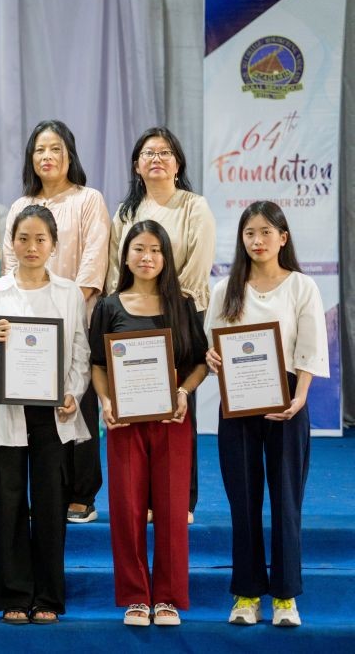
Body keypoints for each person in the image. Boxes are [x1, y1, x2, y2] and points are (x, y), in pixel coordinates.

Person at [205, 202, 328, 628]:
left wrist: (300, 399)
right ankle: (246, 594)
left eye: (265, 232)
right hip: (237, 404)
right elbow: (214, 346)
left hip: (287, 402)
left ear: (283, 237)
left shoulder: (301, 286)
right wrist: (214, 359)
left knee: (286, 502)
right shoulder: (225, 289)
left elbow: (310, 348)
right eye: (249, 233)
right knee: (244, 501)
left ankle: (285, 598)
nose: (257, 241)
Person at [0, 206, 91, 624]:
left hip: (52, 414)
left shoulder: (69, 292)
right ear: (12, 243)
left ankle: (49, 597)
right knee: (6, 504)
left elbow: (79, 351)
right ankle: (14, 596)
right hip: (6, 412)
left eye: (41, 239)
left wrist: (73, 393)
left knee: (50, 505)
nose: (32, 247)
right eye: (23, 238)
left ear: (54, 245)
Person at [90, 220, 208, 627]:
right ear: (125, 255)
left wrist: (184, 393)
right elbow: (97, 364)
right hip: (124, 423)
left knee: (174, 510)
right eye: (139, 249)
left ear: (166, 257)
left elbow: (198, 363)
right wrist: (106, 400)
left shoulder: (184, 304)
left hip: (172, 418)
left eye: (156, 250)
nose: (147, 257)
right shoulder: (110, 306)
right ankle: (137, 597)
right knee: (126, 508)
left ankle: (170, 597)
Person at [2, 120, 110, 524]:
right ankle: (45, 490)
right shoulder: (19, 205)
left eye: (55, 149)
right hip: (27, 326)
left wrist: (63, 313)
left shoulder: (88, 199)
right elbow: (11, 263)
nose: (47, 157)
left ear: (69, 156)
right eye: (39, 150)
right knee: (37, 409)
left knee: (77, 402)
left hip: (76, 318)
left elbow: (93, 262)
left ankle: (82, 492)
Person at [106, 126, 215, 522]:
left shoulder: (193, 206)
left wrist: (168, 304)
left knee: (178, 408)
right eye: (148, 153)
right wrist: (117, 307)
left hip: (181, 313)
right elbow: (113, 267)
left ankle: (181, 498)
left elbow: (198, 265)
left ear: (178, 163)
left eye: (165, 152)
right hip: (131, 315)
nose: (156, 159)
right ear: (136, 165)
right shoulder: (125, 212)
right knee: (137, 410)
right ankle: (144, 497)